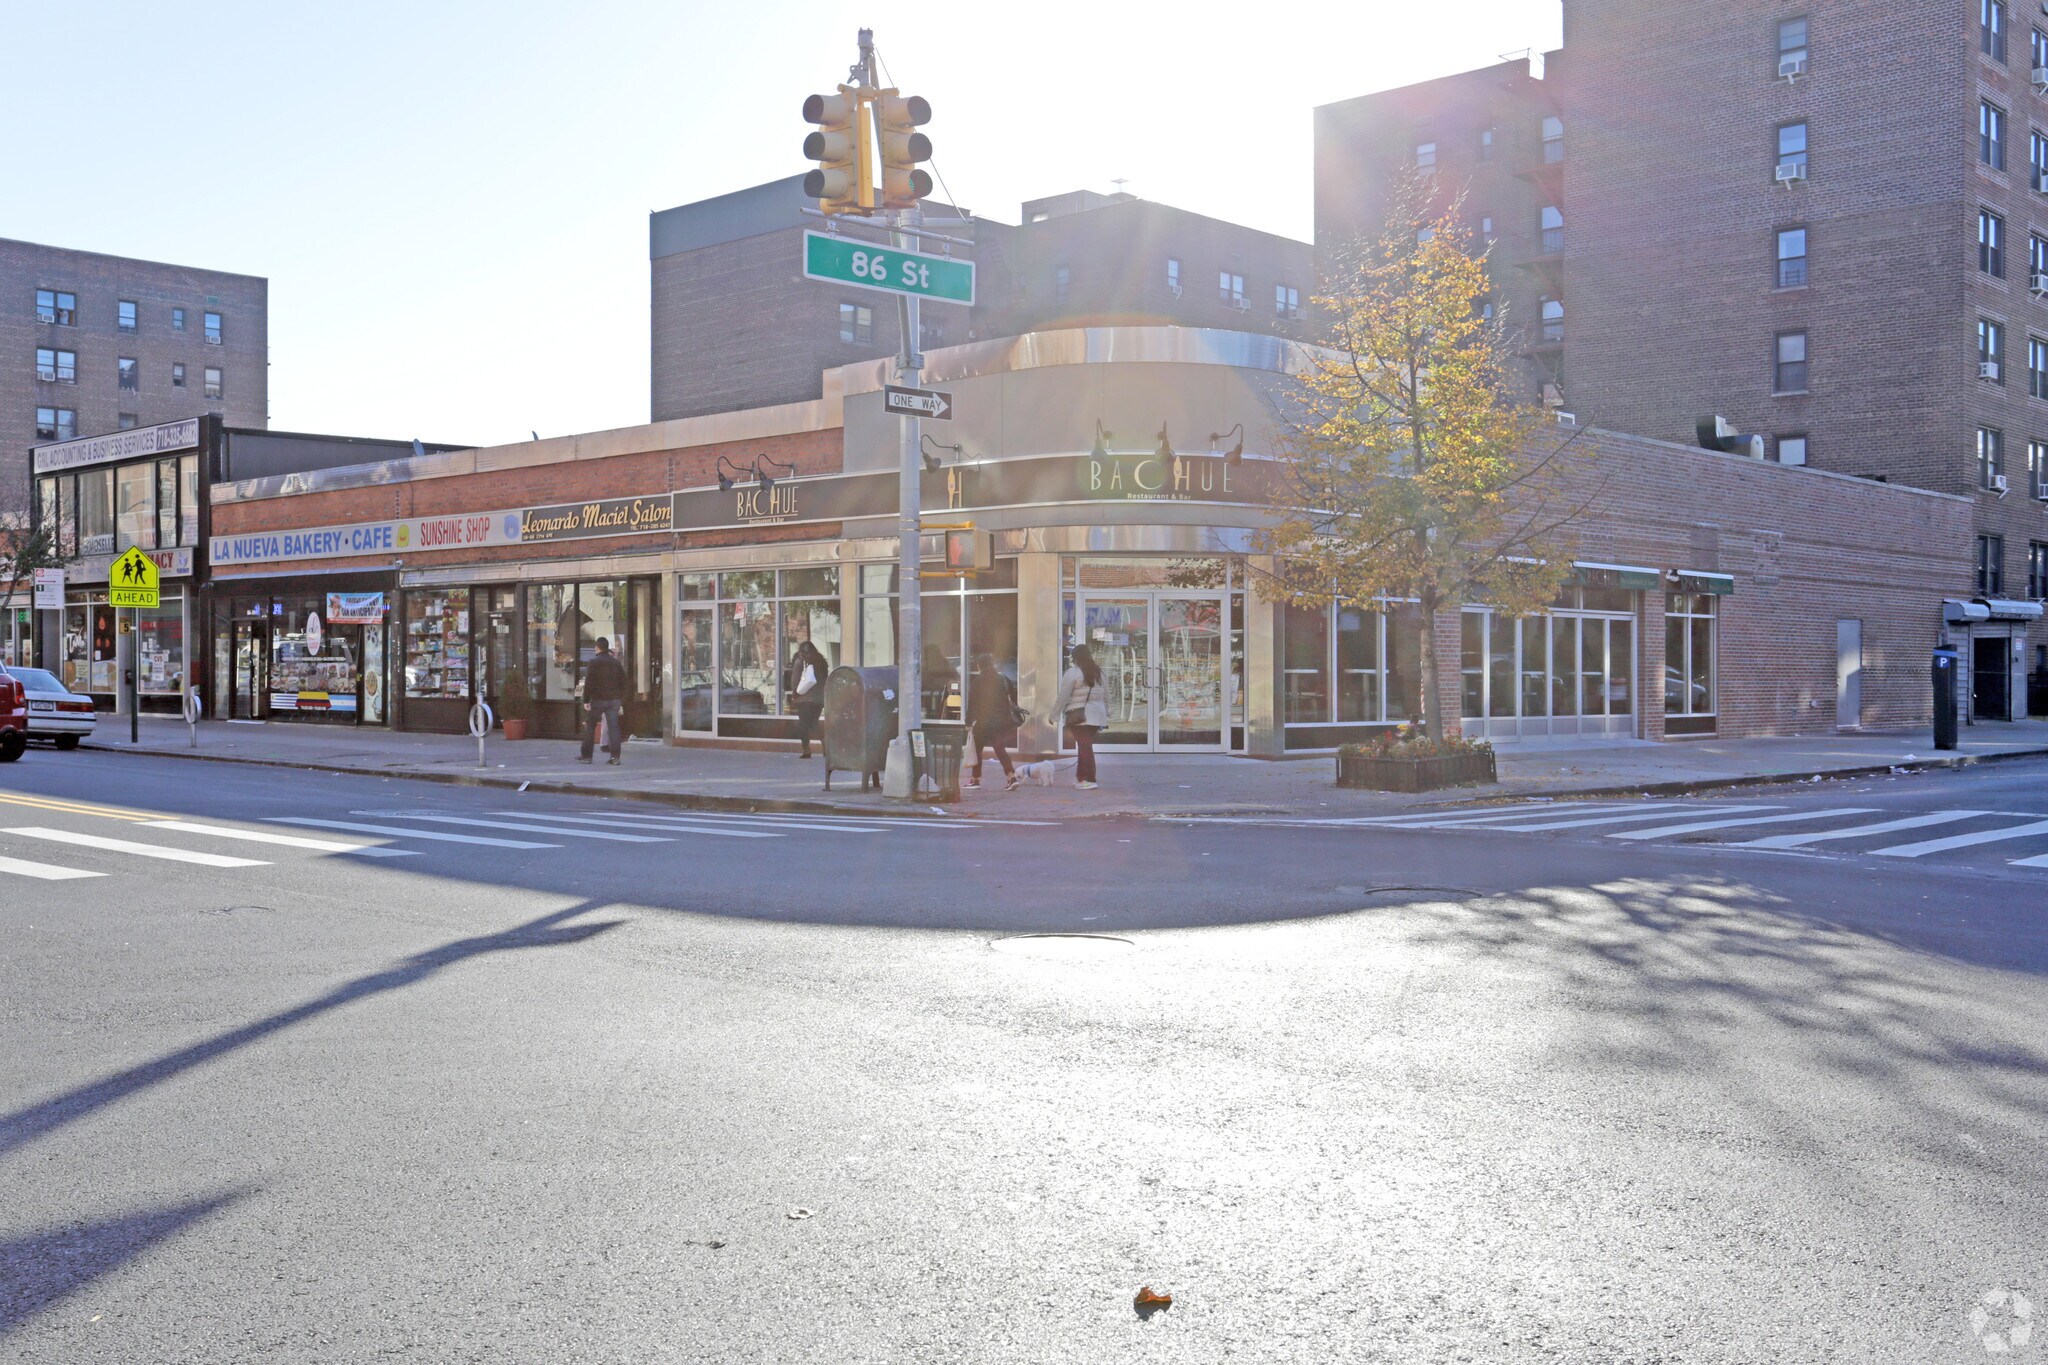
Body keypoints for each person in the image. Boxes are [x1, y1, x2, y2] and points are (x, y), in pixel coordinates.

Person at [1054, 643, 1108, 790]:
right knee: (1085, 746)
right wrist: (1106, 714)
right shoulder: (1100, 672)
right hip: (1097, 715)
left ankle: (1089, 779)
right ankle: (1080, 778)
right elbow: (1106, 696)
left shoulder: (1073, 673)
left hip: (1078, 716)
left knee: (1085, 747)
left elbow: (1063, 696)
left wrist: (1054, 715)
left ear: (1075, 657)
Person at [964, 653, 1020, 791]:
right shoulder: (1002, 679)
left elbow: (972, 704)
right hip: (1000, 721)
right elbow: (1012, 697)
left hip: (983, 722)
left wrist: (968, 722)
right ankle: (1011, 777)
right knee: (1000, 749)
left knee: (977, 751)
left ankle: (975, 779)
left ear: (980, 666)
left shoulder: (977, 682)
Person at [578, 636, 627, 765]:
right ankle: (615, 757)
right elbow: (623, 682)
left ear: (597, 648)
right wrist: (620, 699)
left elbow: (589, 683)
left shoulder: (594, 662)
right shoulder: (616, 663)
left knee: (590, 727)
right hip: (614, 700)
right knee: (613, 728)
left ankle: (587, 756)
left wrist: (586, 700)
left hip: (598, 699)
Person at [786, 639, 829, 759]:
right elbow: (824, 680)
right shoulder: (821, 662)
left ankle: (806, 749)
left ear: (801, 652)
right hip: (818, 700)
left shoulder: (801, 661)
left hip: (803, 699)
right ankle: (824, 743)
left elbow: (795, 679)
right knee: (814, 723)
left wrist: (794, 694)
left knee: (804, 725)